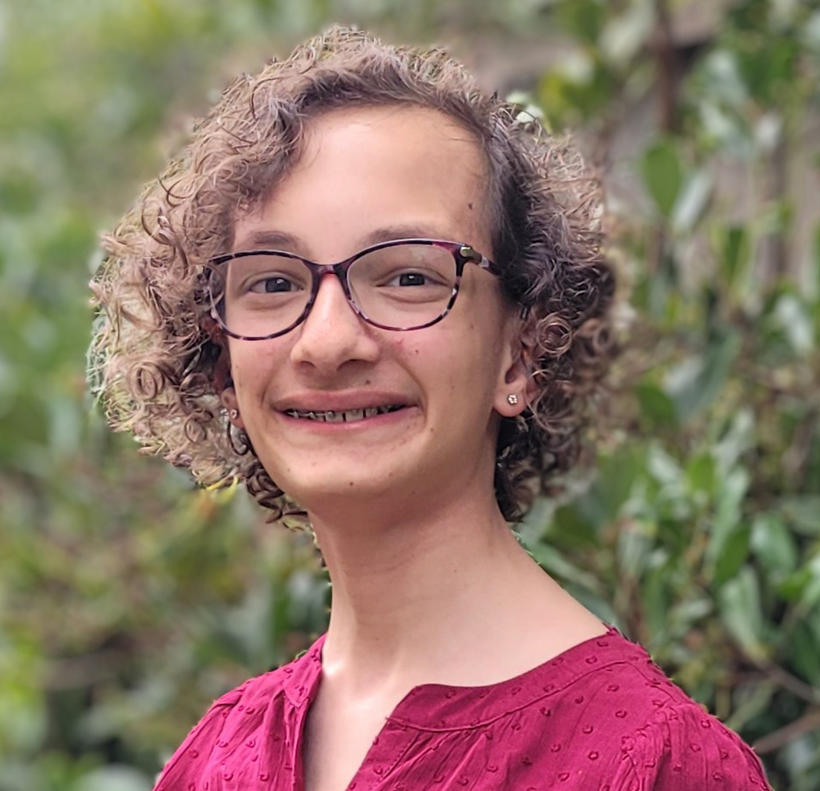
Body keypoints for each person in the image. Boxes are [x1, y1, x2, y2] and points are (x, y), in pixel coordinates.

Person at [89, 25, 771, 791]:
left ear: (524, 349)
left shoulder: (655, 763)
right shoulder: (216, 760)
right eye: (273, 282)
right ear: (220, 357)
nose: (327, 341)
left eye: (408, 276)